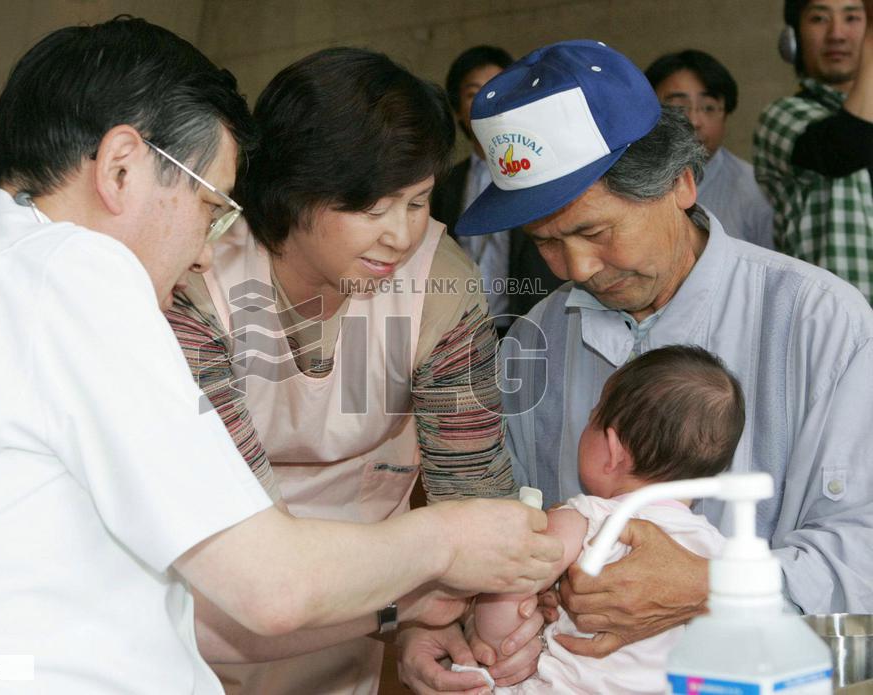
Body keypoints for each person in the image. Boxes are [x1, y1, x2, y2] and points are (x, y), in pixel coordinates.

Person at [0, 19, 564, 694]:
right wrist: (444, 544)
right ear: (120, 167)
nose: (207, 251)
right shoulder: (74, 275)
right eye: (210, 208)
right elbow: (272, 584)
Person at [398, 38, 873, 694]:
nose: (577, 268)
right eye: (545, 243)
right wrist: (445, 622)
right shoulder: (538, 339)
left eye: (594, 232)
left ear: (681, 182)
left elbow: (863, 546)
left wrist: (715, 585)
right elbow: (501, 529)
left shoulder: (821, 324)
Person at [163, 46, 557, 695]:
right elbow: (255, 569)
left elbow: (472, 493)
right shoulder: (199, 278)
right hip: (199, 614)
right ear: (293, 191)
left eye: (418, 202)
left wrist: (453, 623)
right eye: (373, 209)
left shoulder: (440, 285)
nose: (400, 235)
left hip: (359, 616)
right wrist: (414, 602)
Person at [476, 345, 743, 694]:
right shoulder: (715, 551)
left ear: (613, 449)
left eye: (593, 419)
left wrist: (492, 638)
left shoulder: (586, 518)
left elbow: (511, 583)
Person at [431, 45, 563, 334]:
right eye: (473, 93)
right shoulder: (443, 183)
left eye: (498, 88)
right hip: (464, 329)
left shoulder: (547, 171)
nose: (488, 100)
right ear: (457, 110)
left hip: (533, 324)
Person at [754, 0, 873, 303]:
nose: (837, 34)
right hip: (833, 321)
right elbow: (843, 148)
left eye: (852, 18)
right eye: (819, 18)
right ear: (792, 37)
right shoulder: (783, 114)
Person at [645, 49, 774, 249]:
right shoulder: (624, 181)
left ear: (725, 115)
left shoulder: (754, 190)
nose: (694, 121)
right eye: (679, 108)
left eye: (708, 108)